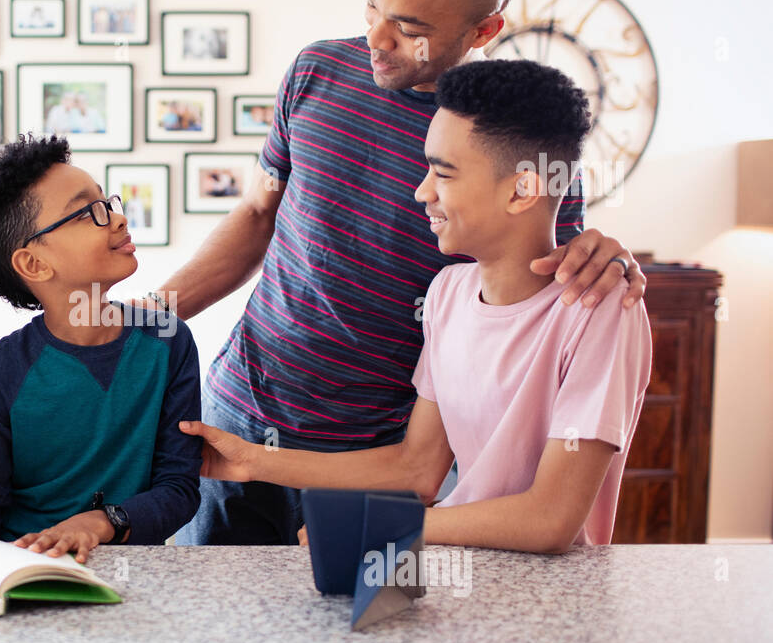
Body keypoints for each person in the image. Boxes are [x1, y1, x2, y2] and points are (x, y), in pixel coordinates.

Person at [145, 0, 648, 546]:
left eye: (409, 27)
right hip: (241, 416)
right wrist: (143, 322)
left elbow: (551, 269)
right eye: (372, 7)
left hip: (381, 460)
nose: (378, 39)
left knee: (357, 641)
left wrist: (609, 258)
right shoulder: (315, 72)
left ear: (484, 27)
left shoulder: (511, 143)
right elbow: (256, 212)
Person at [182, 59, 651, 552]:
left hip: (547, 603)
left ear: (521, 191)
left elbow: (551, 519)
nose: (421, 191)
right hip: (454, 584)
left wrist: (385, 526)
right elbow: (417, 469)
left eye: (443, 174)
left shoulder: (600, 308)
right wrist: (253, 462)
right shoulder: (447, 293)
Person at [0, 135, 202, 564]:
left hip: (133, 572)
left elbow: (179, 490)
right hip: (27, 569)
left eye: (109, 203)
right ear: (34, 263)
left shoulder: (168, 341)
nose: (117, 220)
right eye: (89, 214)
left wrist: (100, 523)